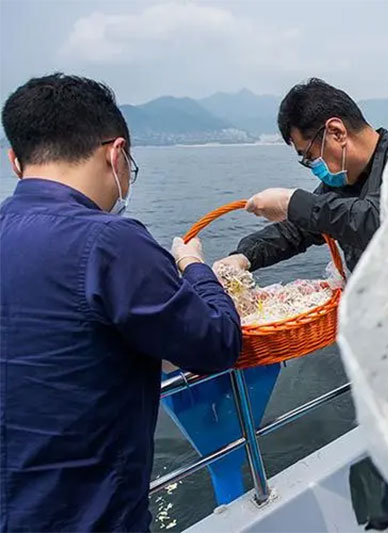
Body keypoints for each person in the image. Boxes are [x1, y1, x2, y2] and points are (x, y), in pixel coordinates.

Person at [0, 73, 242, 532]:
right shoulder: (110, 242)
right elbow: (217, 343)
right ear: (116, 154)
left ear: (16, 162)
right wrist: (194, 268)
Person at [213, 78, 388, 274]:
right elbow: (298, 229)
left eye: (310, 155)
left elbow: (379, 221)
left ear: (336, 132)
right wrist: (244, 256)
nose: (313, 166)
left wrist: (290, 202)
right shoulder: (343, 182)